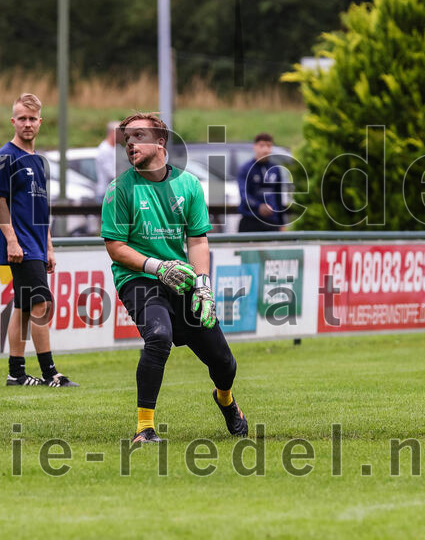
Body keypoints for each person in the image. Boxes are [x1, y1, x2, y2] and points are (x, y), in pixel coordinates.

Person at [101, 112, 248, 442]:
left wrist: (203, 286)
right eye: (127, 139)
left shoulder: (188, 185)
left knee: (224, 363)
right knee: (159, 335)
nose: (130, 144)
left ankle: (225, 400)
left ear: (160, 142)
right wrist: (158, 267)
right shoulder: (119, 189)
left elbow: (197, 241)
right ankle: (144, 428)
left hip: (181, 279)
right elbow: (115, 247)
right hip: (139, 278)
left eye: (139, 136)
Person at [0, 93, 78, 387]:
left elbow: (41, 210)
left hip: (37, 246)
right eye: (22, 119)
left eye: (32, 119)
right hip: (21, 246)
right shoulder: (6, 156)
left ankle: (16, 374)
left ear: (40, 122)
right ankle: (50, 372)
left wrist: (49, 247)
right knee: (42, 304)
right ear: (13, 121)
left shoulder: (39, 161)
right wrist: (12, 241)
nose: (27, 124)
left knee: (24, 307)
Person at [237, 132, 286, 232]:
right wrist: (259, 206)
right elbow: (244, 195)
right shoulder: (245, 169)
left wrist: (281, 222)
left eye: (269, 146)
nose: (265, 149)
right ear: (255, 147)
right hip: (250, 220)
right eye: (262, 145)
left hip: (271, 221)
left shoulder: (275, 169)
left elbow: (278, 197)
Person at [94, 120, 122, 199]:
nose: (122, 135)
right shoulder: (104, 149)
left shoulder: (118, 148)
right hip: (106, 193)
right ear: (112, 132)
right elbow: (111, 173)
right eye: (120, 133)